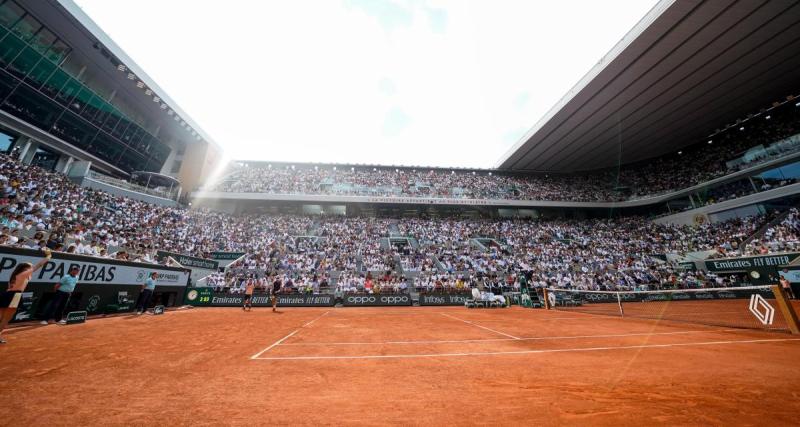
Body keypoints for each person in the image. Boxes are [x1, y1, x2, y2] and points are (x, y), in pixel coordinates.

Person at [0, 249, 51, 343]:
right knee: (5, 319)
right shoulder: (24, 274)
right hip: (15, 296)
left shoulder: (15, 275)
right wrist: (48, 256)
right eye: (30, 266)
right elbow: (39, 265)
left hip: (7, 294)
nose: (31, 268)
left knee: (1, 317)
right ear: (25, 268)